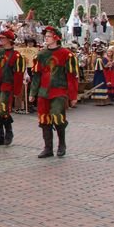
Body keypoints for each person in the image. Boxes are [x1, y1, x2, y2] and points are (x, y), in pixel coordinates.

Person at [29, 26, 79, 158]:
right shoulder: (41, 54)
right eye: (45, 36)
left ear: (56, 38)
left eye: (49, 36)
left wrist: (73, 96)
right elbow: (37, 76)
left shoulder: (66, 54)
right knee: (44, 119)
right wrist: (32, 93)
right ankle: (48, 148)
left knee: (57, 116)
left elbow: (72, 76)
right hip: (43, 92)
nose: (46, 38)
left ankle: (61, 144)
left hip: (59, 91)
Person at [0, 30, 25, 146]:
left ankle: (9, 132)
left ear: (9, 40)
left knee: (3, 109)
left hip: (6, 84)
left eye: (3, 38)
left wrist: (17, 91)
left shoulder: (16, 56)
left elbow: (18, 74)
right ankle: (0, 135)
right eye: (0, 38)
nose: (1, 40)